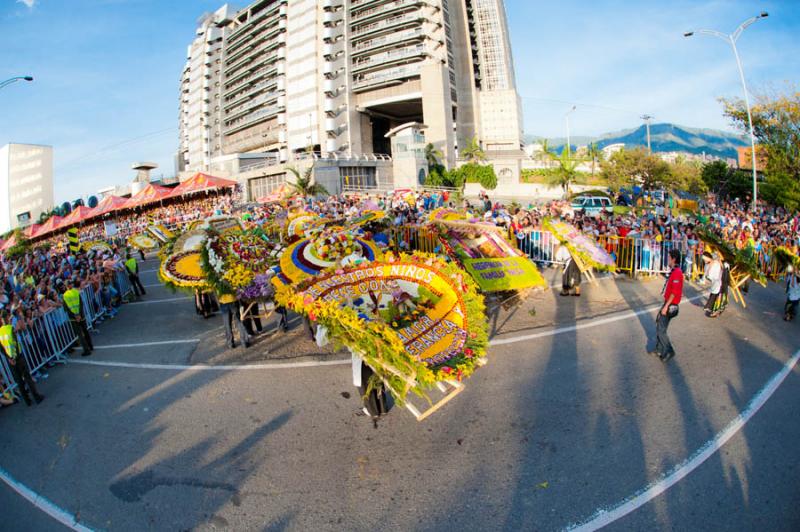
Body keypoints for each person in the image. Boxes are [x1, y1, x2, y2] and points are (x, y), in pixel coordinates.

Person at [0, 311, 44, 405]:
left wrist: (9, 358)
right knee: (27, 377)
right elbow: (15, 344)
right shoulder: (11, 328)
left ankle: (27, 401)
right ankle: (36, 397)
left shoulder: (0, 331)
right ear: (7, 317)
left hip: (10, 360)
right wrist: (14, 358)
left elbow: (2, 348)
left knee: (19, 381)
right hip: (18, 358)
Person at [650, 249, 683, 362]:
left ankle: (669, 350)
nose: (667, 259)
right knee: (660, 324)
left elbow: (674, 292)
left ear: (673, 259)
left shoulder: (677, 273)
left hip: (671, 304)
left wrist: (665, 307)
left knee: (661, 329)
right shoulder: (674, 270)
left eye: (669, 257)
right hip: (668, 302)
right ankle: (659, 348)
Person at [62, 280, 93, 356]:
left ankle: (86, 350)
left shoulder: (65, 295)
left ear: (66, 286)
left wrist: (75, 316)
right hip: (81, 314)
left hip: (73, 317)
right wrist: (79, 314)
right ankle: (90, 346)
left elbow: (66, 308)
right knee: (85, 331)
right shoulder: (76, 292)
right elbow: (81, 303)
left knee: (80, 334)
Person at [701, 251, 722, 317]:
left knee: (715, 296)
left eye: (705, 259)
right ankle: (711, 308)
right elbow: (705, 274)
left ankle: (713, 310)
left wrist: (709, 279)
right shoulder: (707, 265)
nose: (704, 261)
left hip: (718, 282)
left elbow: (716, 276)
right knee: (713, 295)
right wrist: (705, 279)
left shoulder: (716, 264)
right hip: (713, 284)